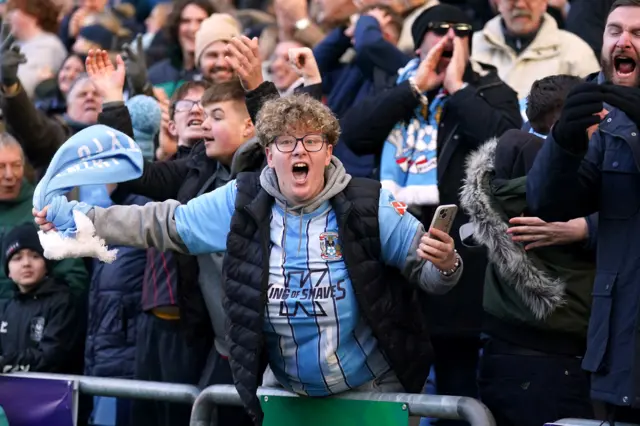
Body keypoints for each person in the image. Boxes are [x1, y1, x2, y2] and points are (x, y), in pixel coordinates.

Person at [35, 92, 463, 425]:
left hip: (373, 394)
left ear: (329, 150)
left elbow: (427, 272)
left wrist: (444, 264)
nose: (300, 151)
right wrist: (81, 218)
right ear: (269, 152)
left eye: (312, 141)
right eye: (286, 142)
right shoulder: (241, 201)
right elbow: (164, 222)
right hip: (287, 399)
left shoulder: (371, 203)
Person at [526, 0, 640, 422]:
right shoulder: (605, 119)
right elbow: (549, 204)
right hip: (624, 352)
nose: (623, 41)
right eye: (614, 31)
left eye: (638, 33)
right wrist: (564, 144)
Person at [460, 74, 597, 426]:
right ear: (566, 124)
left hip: (501, 353)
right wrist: (588, 227)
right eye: (597, 117)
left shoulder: (501, 167)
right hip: (558, 359)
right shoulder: (577, 186)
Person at [0, 224, 84, 374]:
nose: (26, 263)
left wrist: (6, 363)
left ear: (46, 265)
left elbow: (52, 356)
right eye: (17, 258)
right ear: (8, 272)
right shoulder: (6, 308)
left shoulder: (62, 302)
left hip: (52, 394)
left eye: (35, 256)